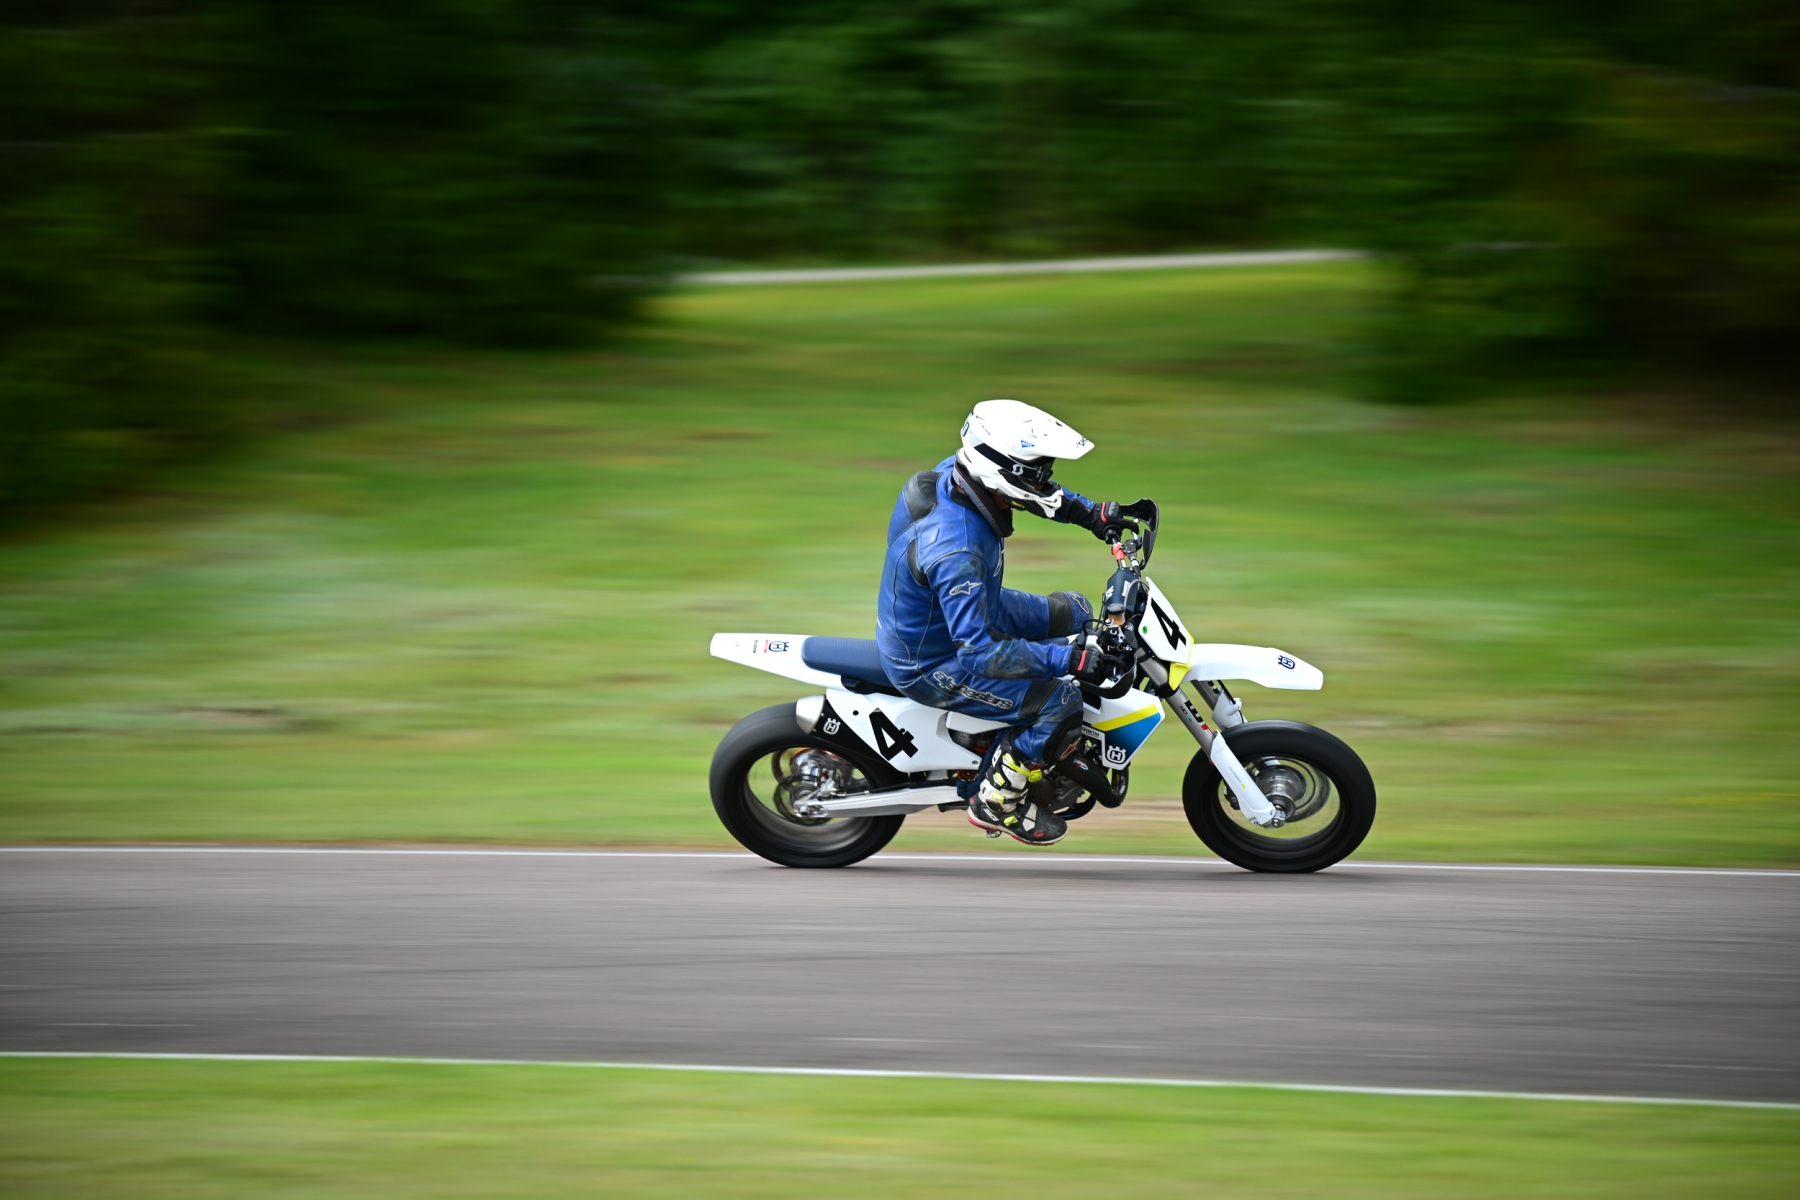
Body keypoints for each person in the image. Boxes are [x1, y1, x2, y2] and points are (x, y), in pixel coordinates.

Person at [877, 400, 1153, 845]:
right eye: (1036, 471)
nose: (1044, 479)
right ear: (1002, 470)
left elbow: (1028, 493)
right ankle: (997, 801)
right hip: (933, 660)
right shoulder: (957, 551)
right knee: (1059, 699)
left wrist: (1091, 514)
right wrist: (1070, 660)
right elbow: (979, 653)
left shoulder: (959, 473)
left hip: (958, 611)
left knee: (1077, 610)